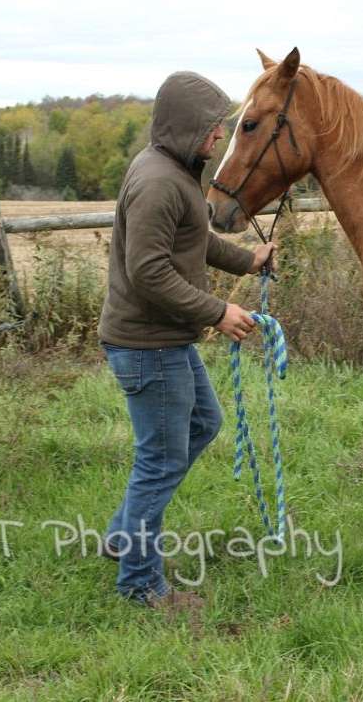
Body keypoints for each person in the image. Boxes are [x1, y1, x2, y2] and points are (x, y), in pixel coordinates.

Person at [97, 71, 275, 609]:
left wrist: (248, 260)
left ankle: (124, 536)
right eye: (212, 128)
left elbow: (194, 241)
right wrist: (219, 311)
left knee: (204, 424)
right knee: (161, 462)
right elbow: (149, 270)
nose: (219, 137)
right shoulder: (157, 181)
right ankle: (141, 585)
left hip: (164, 341)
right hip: (148, 347)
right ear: (184, 127)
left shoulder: (176, 172)